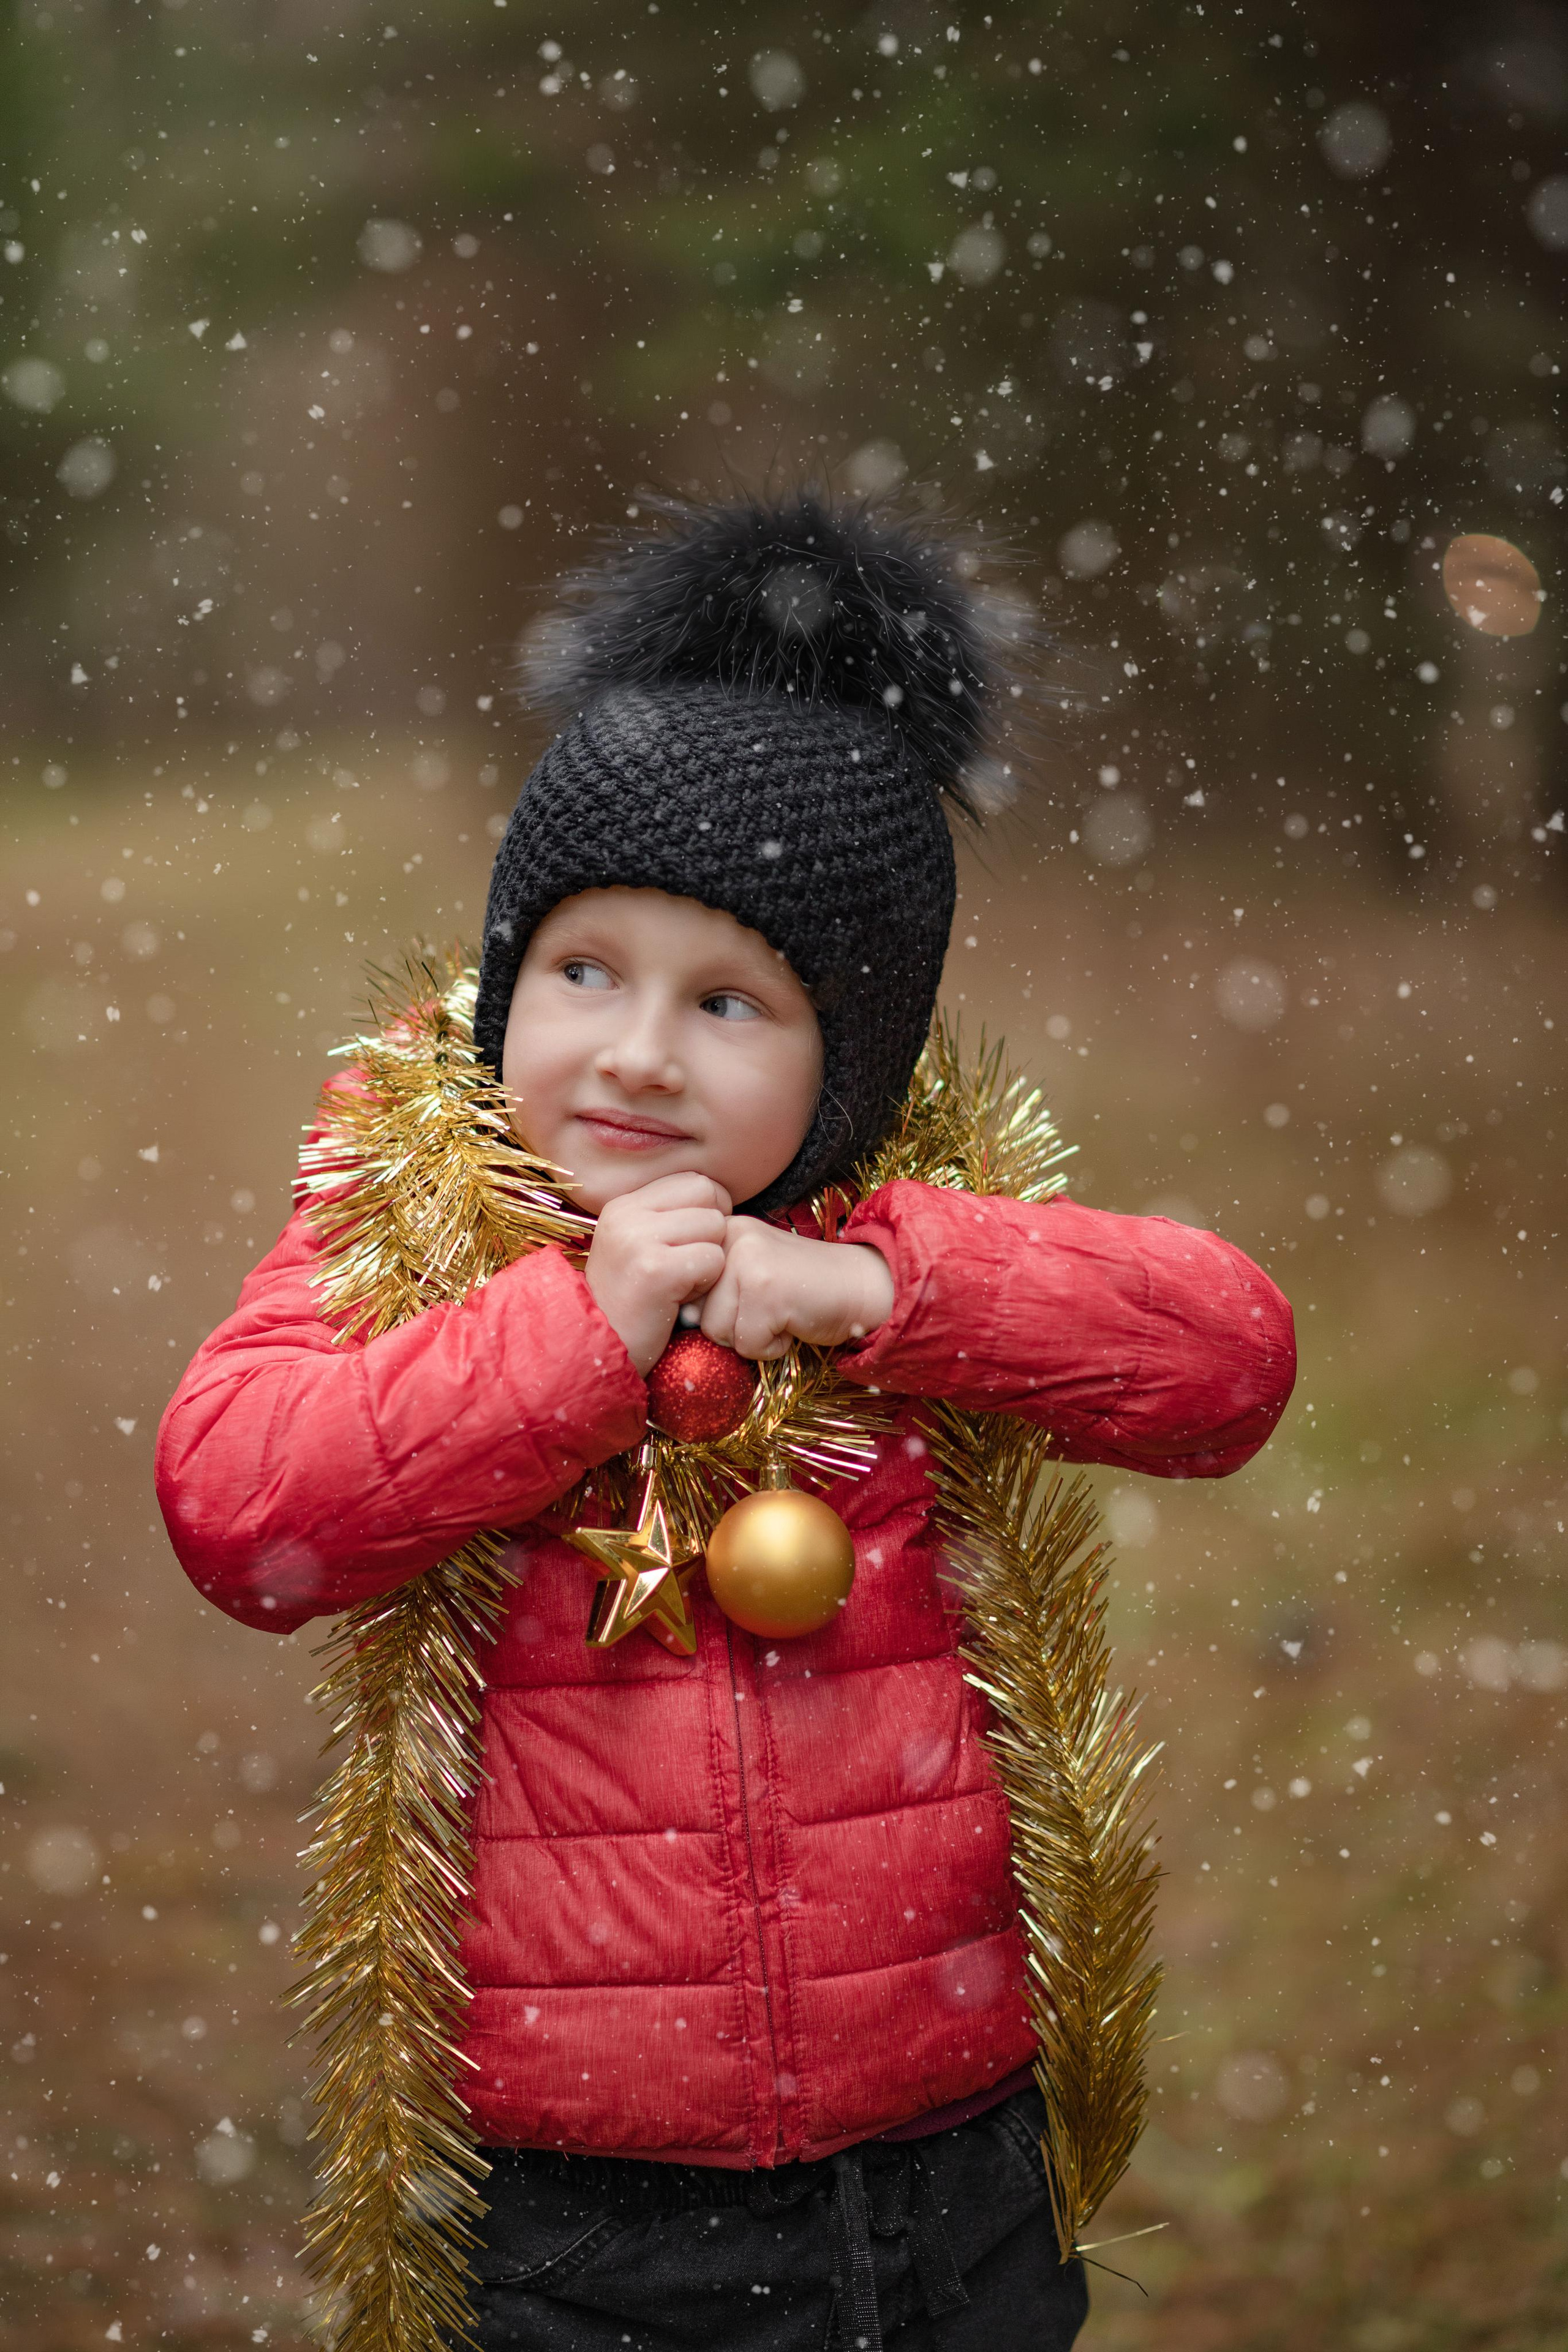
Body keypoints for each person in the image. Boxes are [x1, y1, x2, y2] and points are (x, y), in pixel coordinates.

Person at [156, 492, 1295, 2351]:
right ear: (505, 979)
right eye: (582, 970)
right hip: (576, 2199)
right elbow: (240, 1505)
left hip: (943, 2166)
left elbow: (1229, 1364)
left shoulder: (887, 1243)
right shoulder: (418, 1232)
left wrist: (881, 1292)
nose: (635, 1053)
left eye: (730, 1003)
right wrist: (567, 1339)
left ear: (848, 1063)